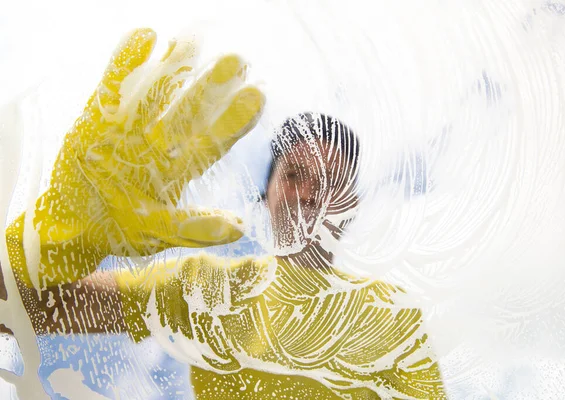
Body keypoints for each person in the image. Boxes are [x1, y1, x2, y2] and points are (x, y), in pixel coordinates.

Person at [2, 29, 445, 399]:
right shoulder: (202, 290)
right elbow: (18, 313)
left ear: (352, 205)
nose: (310, 193)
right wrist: (56, 238)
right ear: (265, 197)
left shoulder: (394, 315)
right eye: (294, 175)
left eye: (330, 181)